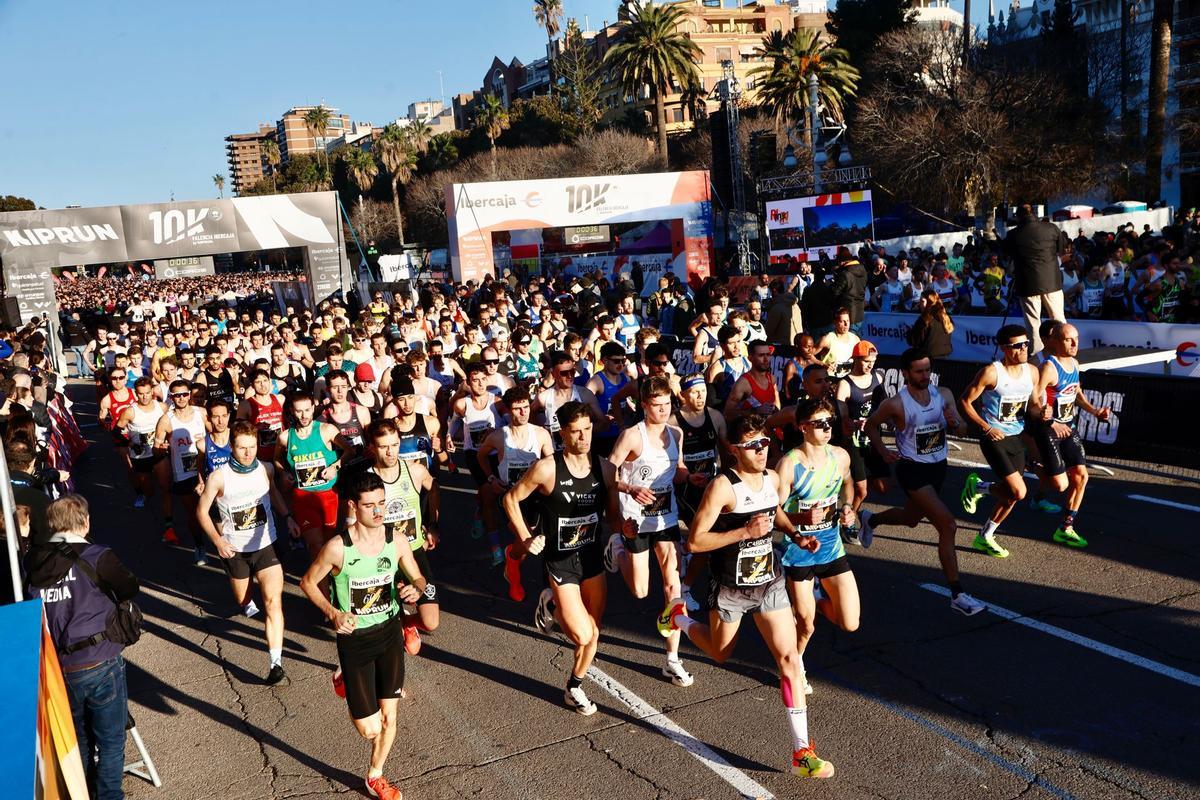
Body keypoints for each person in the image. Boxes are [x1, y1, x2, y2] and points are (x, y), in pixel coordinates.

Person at [659, 413, 835, 779]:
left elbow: (776, 512)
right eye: (753, 445)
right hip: (730, 588)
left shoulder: (772, 478)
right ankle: (678, 617)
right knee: (720, 653)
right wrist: (743, 532)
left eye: (764, 443)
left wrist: (797, 534)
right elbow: (695, 541)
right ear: (735, 450)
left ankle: (802, 752)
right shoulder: (723, 487)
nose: (761, 450)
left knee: (789, 659)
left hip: (769, 583)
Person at [299, 471, 427, 800]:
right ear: (354, 507)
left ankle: (375, 775)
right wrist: (333, 613)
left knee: (389, 718)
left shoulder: (396, 540)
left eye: (382, 503)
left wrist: (416, 589)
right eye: (370, 506)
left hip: (390, 634)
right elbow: (307, 583)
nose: (379, 511)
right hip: (355, 642)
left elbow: (419, 577)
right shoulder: (337, 548)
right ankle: (343, 676)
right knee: (369, 729)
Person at [502, 401, 621, 716]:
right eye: (576, 431)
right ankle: (551, 604)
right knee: (584, 634)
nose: (583, 437)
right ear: (562, 434)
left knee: (594, 632)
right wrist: (525, 537)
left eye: (587, 429)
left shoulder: (606, 469)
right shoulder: (547, 468)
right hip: (560, 561)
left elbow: (613, 517)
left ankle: (574, 687)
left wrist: (626, 529)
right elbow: (511, 498)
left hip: (591, 558)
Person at [25, 494, 139, 800]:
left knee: (79, 740)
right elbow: (129, 586)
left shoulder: (34, 564)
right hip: (101, 659)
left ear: (52, 525)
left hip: (60, 666)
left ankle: (84, 792)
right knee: (111, 741)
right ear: (85, 522)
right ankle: (110, 796)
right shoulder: (97, 555)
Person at [862, 349, 985, 616]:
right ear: (906, 373)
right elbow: (870, 426)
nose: (925, 375)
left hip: (938, 468)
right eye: (919, 371)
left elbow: (963, 429)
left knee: (911, 519)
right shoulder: (896, 404)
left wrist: (955, 424)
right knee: (948, 525)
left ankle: (871, 520)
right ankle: (957, 594)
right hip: (912, 470)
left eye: (928, 369)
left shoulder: (944, 395)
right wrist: (882, 451)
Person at [604, 377, 694, 687]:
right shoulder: (632, 436)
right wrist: (630, 488)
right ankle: (617, 548)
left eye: (668, 404)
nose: (664, 410)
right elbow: (608, 473)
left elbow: (677, 470)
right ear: (644, 406)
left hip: (666, 519)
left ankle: (672, 660)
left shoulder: (676, 433)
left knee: (673, 587)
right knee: (640, 591)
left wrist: (689, 477)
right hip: (636, 521)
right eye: (657, 405)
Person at [195, 421, 298, 684]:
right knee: (243, 597)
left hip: (266, 545)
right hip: (235, 549)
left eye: (252, 447)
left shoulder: (265, 468)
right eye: (242, 448)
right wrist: (218, 540)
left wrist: (287, 517)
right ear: (232, 447)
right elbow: (202, 511)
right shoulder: (219, 477)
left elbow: (273, 493)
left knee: (273, 602)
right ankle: (245, 602)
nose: (248, 453)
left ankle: (276, 663)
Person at [777, 398, 859, 681]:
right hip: (798, 551)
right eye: (820, 423)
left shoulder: (840, 456)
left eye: (830, 422)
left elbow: (848, 485)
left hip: (831, 548)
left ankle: (815, 597)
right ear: (803, 427)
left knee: (850, 622)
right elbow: (773, 512)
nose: (827, 428)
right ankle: (796, 666)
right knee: (806, 625)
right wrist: (800, 518)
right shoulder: (790, 464)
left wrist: (847, 507)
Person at [958, 324, 1040, 558]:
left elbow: (1034, 405)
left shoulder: (1032, 372)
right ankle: (985, 533)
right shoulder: (992, 373)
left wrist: (1043, 412)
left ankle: (980, 494)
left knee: (1011, 494)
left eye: (1026, 344)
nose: (1023, 349)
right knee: (1019, 491)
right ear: (1004, 348)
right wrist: (986, 428)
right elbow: (964, 401)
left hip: (1016, 437)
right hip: (994, 438)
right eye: (1017, 345)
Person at [1029, 323, 1111, 548]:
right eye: (1068, 340)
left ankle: (1066, 527)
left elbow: (1077, 393)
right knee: (1060, 486)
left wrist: (1095, 411)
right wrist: (1050, 421)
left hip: (1068, 427)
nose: (1075, 344)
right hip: (1048, 429)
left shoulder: (1074, 363)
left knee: (1081, 477)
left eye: (1076, 339)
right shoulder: (1048, 367)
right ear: (1055, 342)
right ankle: (1032, 463)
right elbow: (1032, 402)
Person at [366, 418, 441, 658]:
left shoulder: (415, 471)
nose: (390, 452)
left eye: (394, 444)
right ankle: (397, 622)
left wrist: (433, 525)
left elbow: (434, 488)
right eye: (383, 446)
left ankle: (408, 622)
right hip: (382, 558)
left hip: (415, 553)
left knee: (431, 622)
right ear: (372, 448)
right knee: (386, 631)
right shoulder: (366, 480)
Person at [477, 387, 554, 602]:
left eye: (526, 407)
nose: (523, 412)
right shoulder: (499, 436)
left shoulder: (540, 434)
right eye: (517, 408)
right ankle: (513, 568)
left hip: (536, 497)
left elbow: (551, 463)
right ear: (508, 411)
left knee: (532, 541)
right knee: (526, 538)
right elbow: (481, 456)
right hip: (510, 499)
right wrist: (491, 479)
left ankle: (512, 556)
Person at [670, 373, 727, 611]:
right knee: (704, 539)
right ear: (683, 395)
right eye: (694, 392)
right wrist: (688, 477)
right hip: (684, 489)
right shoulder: (673, 423)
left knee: (707, 540)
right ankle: (685, 588)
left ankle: (686, 556)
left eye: (703, 391)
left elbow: (726, 451)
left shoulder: (715, 417)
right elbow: (672, 462)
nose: (700, 396)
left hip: (710, 488)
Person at [276, 390, 346, 562]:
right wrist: (283, 472)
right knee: (315, 543)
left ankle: (330, 574)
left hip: (328, 495)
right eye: (299, 411)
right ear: (292, 411)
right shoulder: (285, 437)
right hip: (303, 497)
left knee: (329, 544)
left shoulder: (326, 430)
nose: (304, 415)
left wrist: (335, 466)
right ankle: (320, 576)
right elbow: (276, 459)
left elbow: (349, 451)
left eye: (307, 410)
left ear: (313, 408)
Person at [153, 379, 208, 563]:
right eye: (177, 395)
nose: (182, 398)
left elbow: (217, 434)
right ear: (171, 397)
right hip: (183, 473)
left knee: (217, 510)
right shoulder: (166, 420)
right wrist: (161, 449)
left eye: (185, 394)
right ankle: (199, 545)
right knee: (193, 512)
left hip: (206, 469)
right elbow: (156, 449)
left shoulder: (201, 413)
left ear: (189, 394)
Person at [834, 342, 888, 530]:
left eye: (873, 361)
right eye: (866, 361)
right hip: (853, 441)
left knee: (883, 487)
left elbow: (884, 405)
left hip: (873, 440)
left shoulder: (877, 377)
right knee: (862, 490)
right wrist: (856, 423)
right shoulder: (845, 384)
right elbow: (841, 421)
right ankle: (847, 523)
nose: (870, 365)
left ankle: (845, 493)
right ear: (855, 359)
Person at [1004, 203, 1068, 355]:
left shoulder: (1013, 234)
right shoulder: (1051, 228)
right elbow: (1061, 249)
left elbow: (1007, 254)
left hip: (1028, 283)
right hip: (1051, 281)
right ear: (1034, 213)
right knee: (1058, 318)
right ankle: (1064, 350)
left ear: (1018, 216)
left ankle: (1036, 356)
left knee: (1033, 323)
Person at [114, 377, 165, 510]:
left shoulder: (162, 407)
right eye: (141, 394)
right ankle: (145, 496)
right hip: (140, 455)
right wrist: (130, 444)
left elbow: (170, 426)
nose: (145, 396)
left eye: (147, 393)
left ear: (152, 391)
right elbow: (116, 431)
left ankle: (167, 508)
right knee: (149, 490)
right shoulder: (130, 411)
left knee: (165, 484)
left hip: (159, 452)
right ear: (136, 393)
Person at [724, 339, 780, 421]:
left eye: (768, 355)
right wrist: (754, 411)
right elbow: (727, 414)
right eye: (761, 355)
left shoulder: (772, 379)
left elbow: (777, 404)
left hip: (770, 426)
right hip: (750, 427)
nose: (766, 359)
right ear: (750, 358)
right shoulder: (743, 383)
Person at [907, 288, 955, 359]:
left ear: (930, 302)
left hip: (928, 358)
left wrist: (909, 332)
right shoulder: (946, 317)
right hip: (945, 356)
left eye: (922, 301)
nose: (919, 304)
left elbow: (915, 341)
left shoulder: (925, 319)